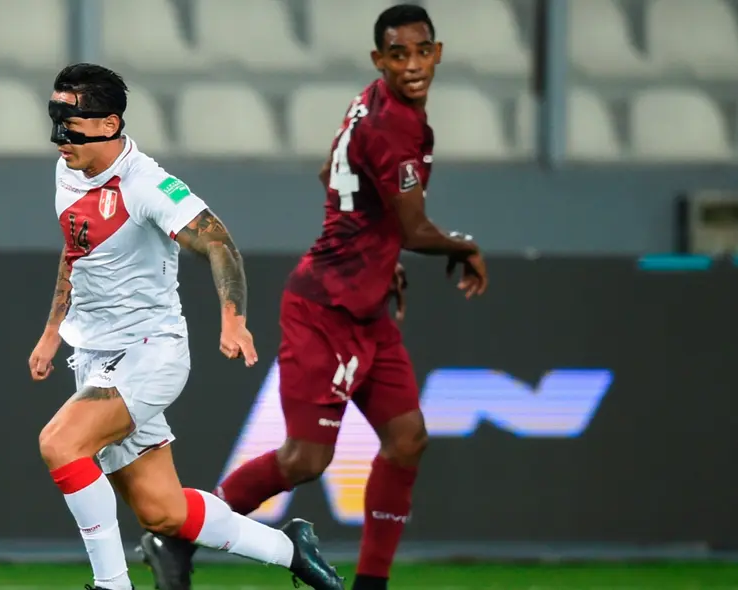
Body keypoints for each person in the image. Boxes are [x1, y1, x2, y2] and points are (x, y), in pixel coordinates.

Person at [137, 5, 489, 590]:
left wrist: (378, 258)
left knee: (407, 439)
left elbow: (332, 172)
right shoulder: (394, 125)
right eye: (398, 54)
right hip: (325, 310)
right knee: (305, 459)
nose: (412, 64)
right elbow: (413, 226)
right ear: (379, 60)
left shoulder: (372, 103)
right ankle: (177, 536)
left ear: (438, 52)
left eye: (421, 51)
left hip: (367, 309)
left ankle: (371, 584)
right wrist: (464, 247)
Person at [27, 63, 345, 590]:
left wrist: (233, 320)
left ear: (109, 124)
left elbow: (219, 243)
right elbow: (76, 248)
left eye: (71, 124)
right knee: (164, 513)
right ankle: (292, 548)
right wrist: (51, 332)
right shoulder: (70, 171)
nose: (59, 137)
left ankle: (112, 585)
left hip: (148, 354)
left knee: (60, 444)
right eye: (55, 121)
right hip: (96, 357)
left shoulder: (148, 185)